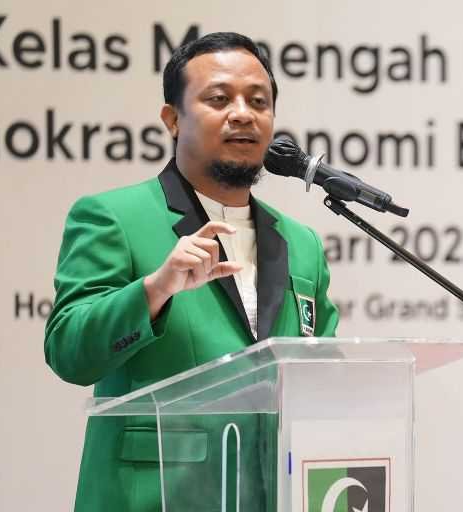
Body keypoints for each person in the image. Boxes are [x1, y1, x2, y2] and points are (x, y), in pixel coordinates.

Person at [44, 32, 339, 511]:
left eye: (258, 102)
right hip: (155, 498)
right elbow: (69, 352)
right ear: (172, 119)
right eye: (219, 99)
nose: (243, 114)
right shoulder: (114, 217)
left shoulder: (301, 243)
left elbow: (326, 374)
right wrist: (155, 290)